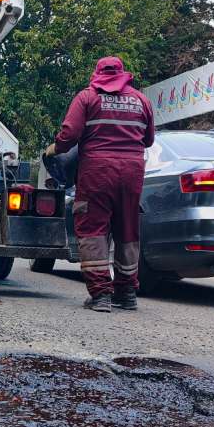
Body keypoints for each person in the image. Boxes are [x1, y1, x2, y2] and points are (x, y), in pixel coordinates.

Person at [43, 56, 154, 313]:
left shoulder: (87, 97)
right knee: (127, 230)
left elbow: (69, 135)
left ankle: (101, 295)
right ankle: (126, 293)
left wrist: (55, 148)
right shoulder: (141, 100)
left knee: (93, 230)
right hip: (132, 171)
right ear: (122, 73)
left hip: (97, 171)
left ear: (97, 73)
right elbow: (148, 140)